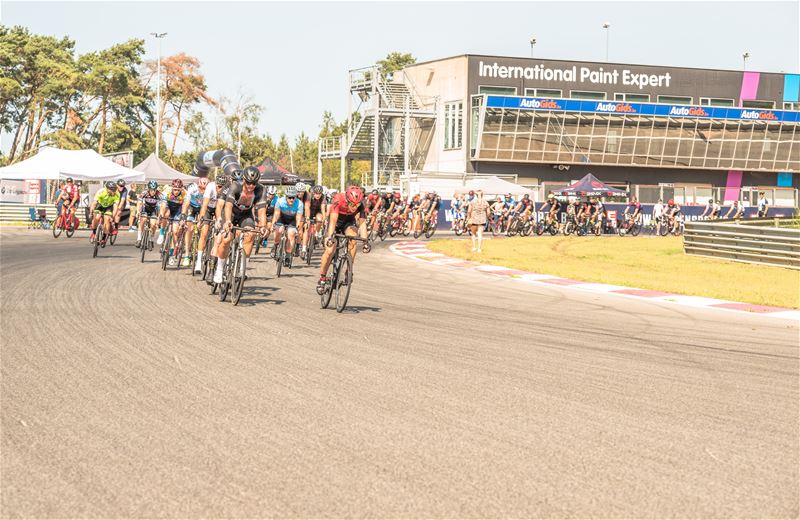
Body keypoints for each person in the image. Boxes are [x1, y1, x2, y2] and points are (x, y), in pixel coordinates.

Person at [213, 167, 268, 284]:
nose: (251, 186)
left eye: (254, 183)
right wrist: (227, 221)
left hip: (246, 215)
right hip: (231, 213)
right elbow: (227, 206)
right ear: (243, 180)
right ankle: (219, 269)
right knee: (226, 238)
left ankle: (242, 269)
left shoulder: (261, 190)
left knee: (250, 235)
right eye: (248, 182)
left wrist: (263, 226)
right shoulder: (235, 186)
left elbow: (262, 211)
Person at [316, 186, 368, 294]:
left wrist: (365, 242)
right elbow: (333, 222)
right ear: (347, 200)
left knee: (353, 239)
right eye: (352, 204)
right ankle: (322, 277)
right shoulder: (338, 199)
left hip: (349, 222)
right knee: (330, 250)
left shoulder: (361, 204)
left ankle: (348, 269)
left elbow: (362, 224)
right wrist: (330, 238)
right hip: (335, 221)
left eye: (357, 205)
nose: (355, 207)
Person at [178, 177, 208, 267]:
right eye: (201, 188)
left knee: (203, 228)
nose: (203, 190)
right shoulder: (192, 189)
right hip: (192, 207)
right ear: (198, 186)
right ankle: (187, 254)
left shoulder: (208, 191)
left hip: (202, 208)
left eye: (205, 189)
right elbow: (186, 203)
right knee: (189, 228)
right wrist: (183, 215)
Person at [271, 186, 304, 267]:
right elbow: (276, 214)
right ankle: (275, 245)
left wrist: (298, 226)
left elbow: (298, 217)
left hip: (292, 219)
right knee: (278, 230)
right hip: (281, 218)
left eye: (293, 197)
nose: (292, 199)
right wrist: (273, 224)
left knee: (291, 234)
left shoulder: (299, 203)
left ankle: (288, 255)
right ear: (286, 197)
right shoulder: (280, 201)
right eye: (289, 197)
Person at [89, 181, 121, 245]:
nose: (113, 191)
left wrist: (112, 217)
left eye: (114, 189)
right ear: (107, 189)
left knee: (107, 218)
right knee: (97, 217)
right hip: (100, 205)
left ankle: (104, 238)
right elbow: (94, 203)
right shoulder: (101, 192)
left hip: (109, 206)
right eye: (112, 190)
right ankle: (94, 232)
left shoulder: (117, 194)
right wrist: (91, 212)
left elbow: (115, 207)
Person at [136, 180, 164, 248]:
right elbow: (139, 203)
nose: (153, 192)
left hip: (154, 210)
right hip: (145, 208)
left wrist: (160, 216)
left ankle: (151, 239)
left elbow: (162, 206)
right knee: (142, 220)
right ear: (148, 189)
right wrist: (138, 212)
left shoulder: (159, 195)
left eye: (154, 190)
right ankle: (139, 238)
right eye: (151, 190)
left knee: (153, 224)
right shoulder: (144, 193)